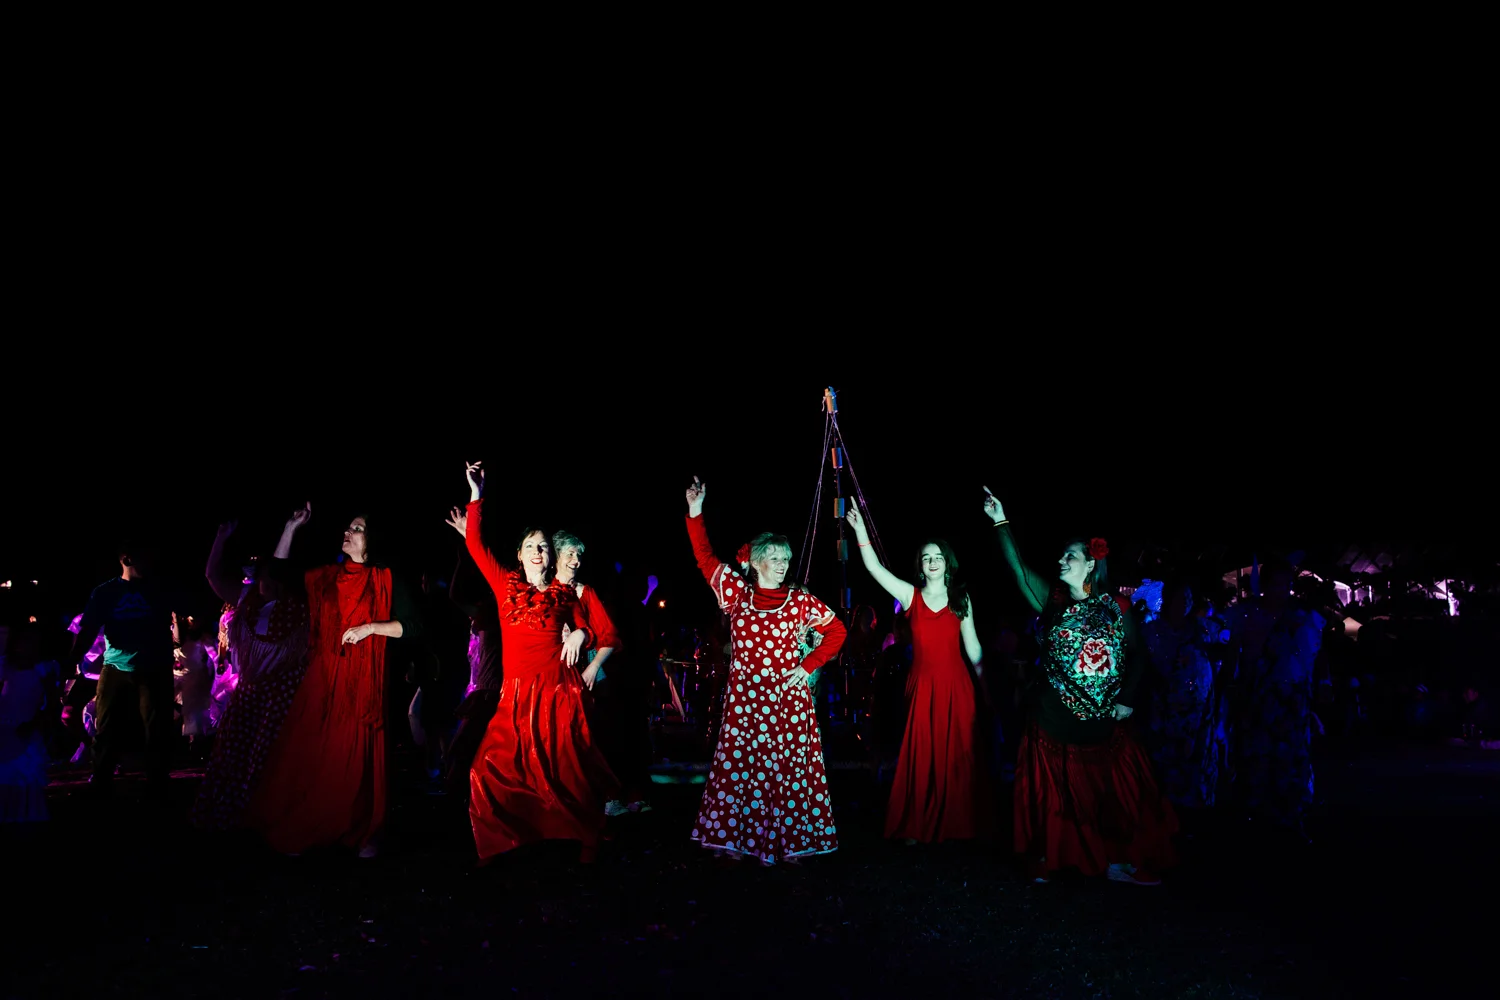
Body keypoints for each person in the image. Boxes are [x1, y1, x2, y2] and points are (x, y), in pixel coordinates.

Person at [983, 487, 1177, 885]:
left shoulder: (1116, 608)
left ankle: (1116, 860)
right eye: (1061, 555)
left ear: (1090, 564)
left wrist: (1126, 699)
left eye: (1069, 555)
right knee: (1052, 792)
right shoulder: (1051, 603)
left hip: (1104, 718)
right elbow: (1018, 569)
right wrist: (1000, 521)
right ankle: (1051, 857)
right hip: (1053, 714)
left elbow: (1138, 655)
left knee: (1110, 793)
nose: (1060, 560)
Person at [457, 462, 619, 865]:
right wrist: (477, 493)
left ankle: (583, 838)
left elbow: (594, 630)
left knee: (566, 773)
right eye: (530, 545)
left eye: (543, 545)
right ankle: (508, 838)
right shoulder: (503, 584)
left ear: (550, 556)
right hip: (515, 694)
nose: (537, 550)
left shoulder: (566, 593)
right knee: (489, 769)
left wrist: (581, 635)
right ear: (519, 554)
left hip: (558, 692)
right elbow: (476, 545)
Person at [684, 476, 847, 865]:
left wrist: (807, 666)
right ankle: (736, 839)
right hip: (745, 700)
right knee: (741, 768)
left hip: (787, 700)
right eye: (775, 557)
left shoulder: (800, 601)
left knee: (787, 769)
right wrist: (695, 511)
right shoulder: (737, 593)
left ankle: (791, 843)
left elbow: (836, 630)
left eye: (785, 558)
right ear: (756, 562)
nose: (783, 563)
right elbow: (705, 559)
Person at [244, 506, 420, 858]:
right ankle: (309, 824)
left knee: (356, 760)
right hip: (324, 681)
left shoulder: (386, 578)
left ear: (371, 541)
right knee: (314, 756)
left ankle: (360, 829)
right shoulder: (325, 577)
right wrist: (291, 527)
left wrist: (371, 627)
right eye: (348, 527)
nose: (348, 532)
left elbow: (413, 627)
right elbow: (278, 572)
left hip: (363, 683)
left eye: (358, 528)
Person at [845, 507, 993, 844]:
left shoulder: (961, 597)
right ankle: (917, 823)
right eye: (927, 557)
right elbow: (873, 568)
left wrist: (984, 690)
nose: (932, 561)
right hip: (922, 686)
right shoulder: (909, 595)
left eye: (938, 556)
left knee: (959, 755)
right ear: (920, 564)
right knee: (922, 755)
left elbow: (974, 648)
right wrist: (860, 530)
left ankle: (960, 825)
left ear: (947, 561)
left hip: (958, 687)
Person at [190, 510, 311, 831]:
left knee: (269, 760)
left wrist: (289, 528)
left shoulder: (296, 610)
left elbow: (279, 566)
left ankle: (270, 819)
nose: (265, 583)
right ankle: (232, 818)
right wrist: (220, 538)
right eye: (262, 578)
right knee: (233, 757)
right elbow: (213, 576)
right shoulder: (248, 603)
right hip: (247, 695)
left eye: (271, 579)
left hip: (279, 700)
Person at [64, 542, 181, 799]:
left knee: (157, 729)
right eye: (143, 557)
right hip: (115, 666)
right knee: (105, 727)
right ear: (126, 559)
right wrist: (70, 661)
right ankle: (101, 779)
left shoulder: (159, 588)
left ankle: (158, 783)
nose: (149, 563)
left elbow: (173, 626)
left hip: (154, 668)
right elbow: (88, 630)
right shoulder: (106, 592)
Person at [1224, 560, 1323, 838]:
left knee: (1292, 759)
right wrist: (1231, 688)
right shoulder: (1246, 614)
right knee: (1256, 757)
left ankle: (1293, 816)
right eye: (1277, 584)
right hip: (1256, 695)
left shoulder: (1302, 616)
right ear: (1265, 586)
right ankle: (1257, 817)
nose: (1283, 590)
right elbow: (1234, 653)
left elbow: (1310, 659)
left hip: (1291, 699)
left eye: (1287, 584)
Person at [552, 530, 646, 817]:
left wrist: (593, 667)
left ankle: (604, 799)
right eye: (569, 553)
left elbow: (611, 637)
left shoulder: (584, 591)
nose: (575, 559)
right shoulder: (541, 590)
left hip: (583, 675)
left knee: (591, 739)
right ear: (554, 557)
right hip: (548, 674)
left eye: (579, 554)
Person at [1141, 579, 1228, 814]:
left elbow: (1222, 653)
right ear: (1168, 601)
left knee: (1194, 762)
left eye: (1189, 598)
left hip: (1197, 711)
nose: (1185, 603)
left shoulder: (1204, 629)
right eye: (1180, 598)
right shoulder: (1152, 631)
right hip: (1165, 710)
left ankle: (1193, 812)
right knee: (1167, 762)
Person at [1, 620, 53, 823]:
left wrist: (35, 724)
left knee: (24, 776)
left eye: (33, 643)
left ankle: (23, 816)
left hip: (26, 729)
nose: (27, 647)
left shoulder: (43, 669)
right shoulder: (4, 666)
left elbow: (50, 703)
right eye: (24, 642)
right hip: (3, 727)